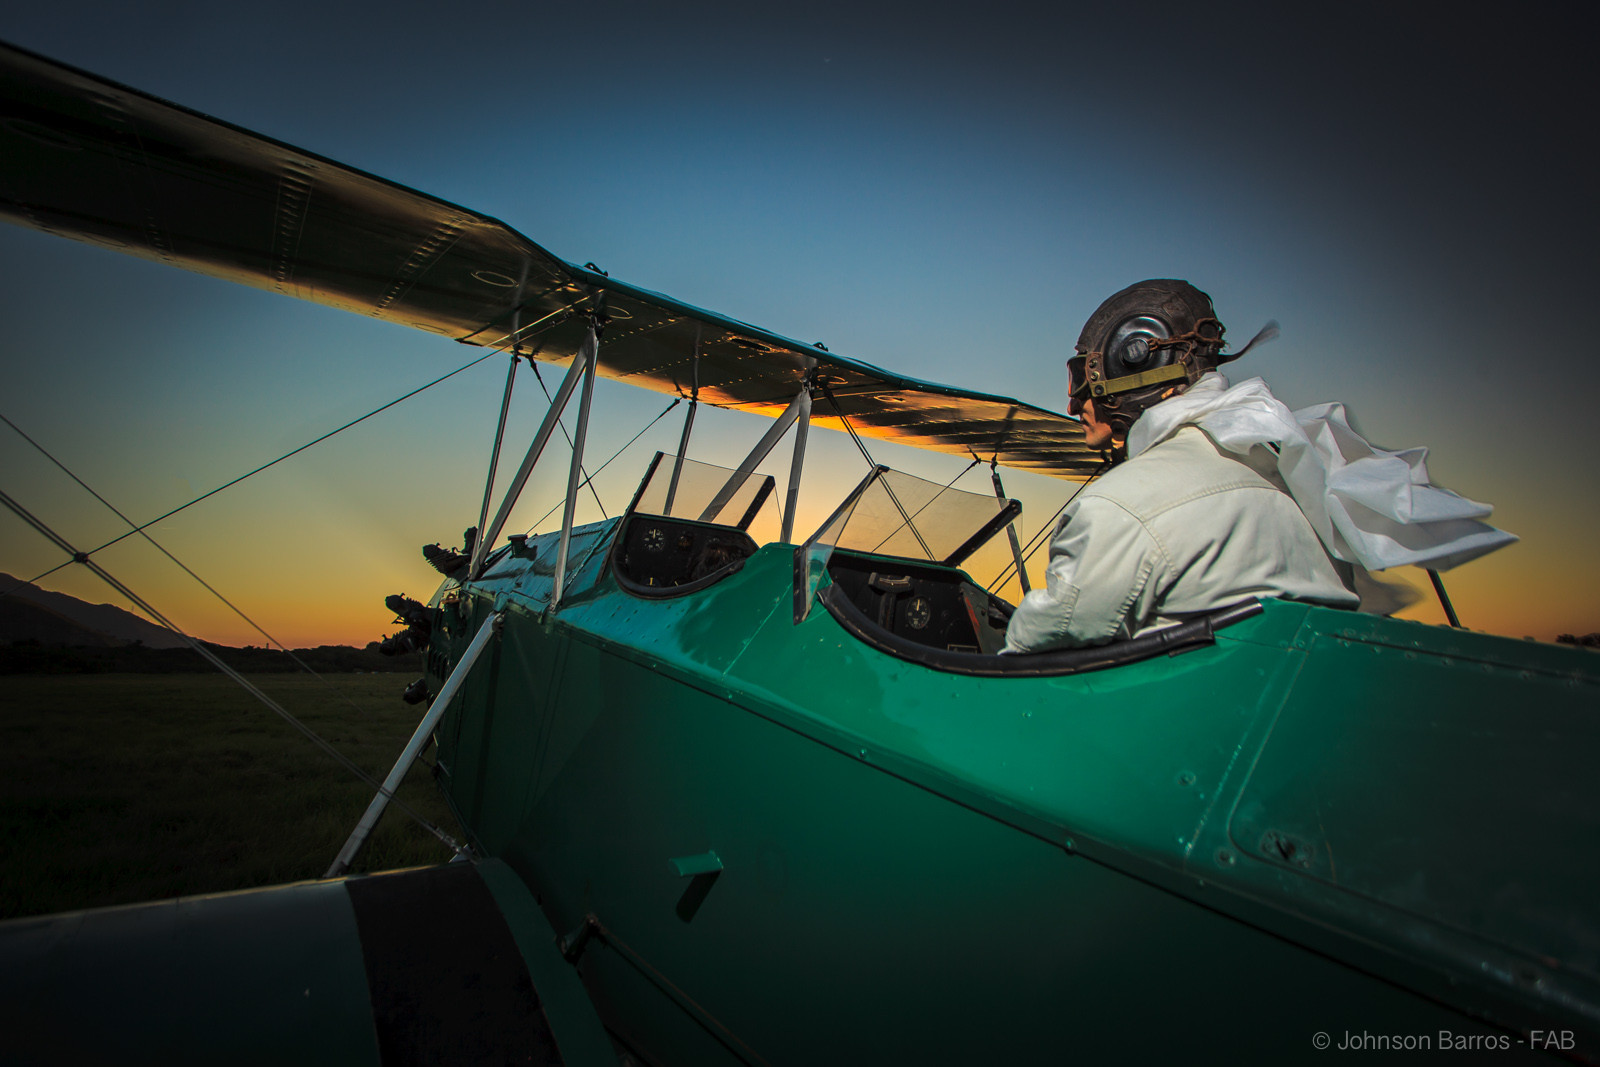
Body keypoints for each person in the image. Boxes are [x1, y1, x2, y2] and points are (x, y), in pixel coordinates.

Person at [1002, 279, 1515, 653]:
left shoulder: (1115, 508)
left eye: (1082, 377)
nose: (1074, 403)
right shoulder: (1300, 488)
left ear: (1127, 365)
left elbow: (1033, 648)